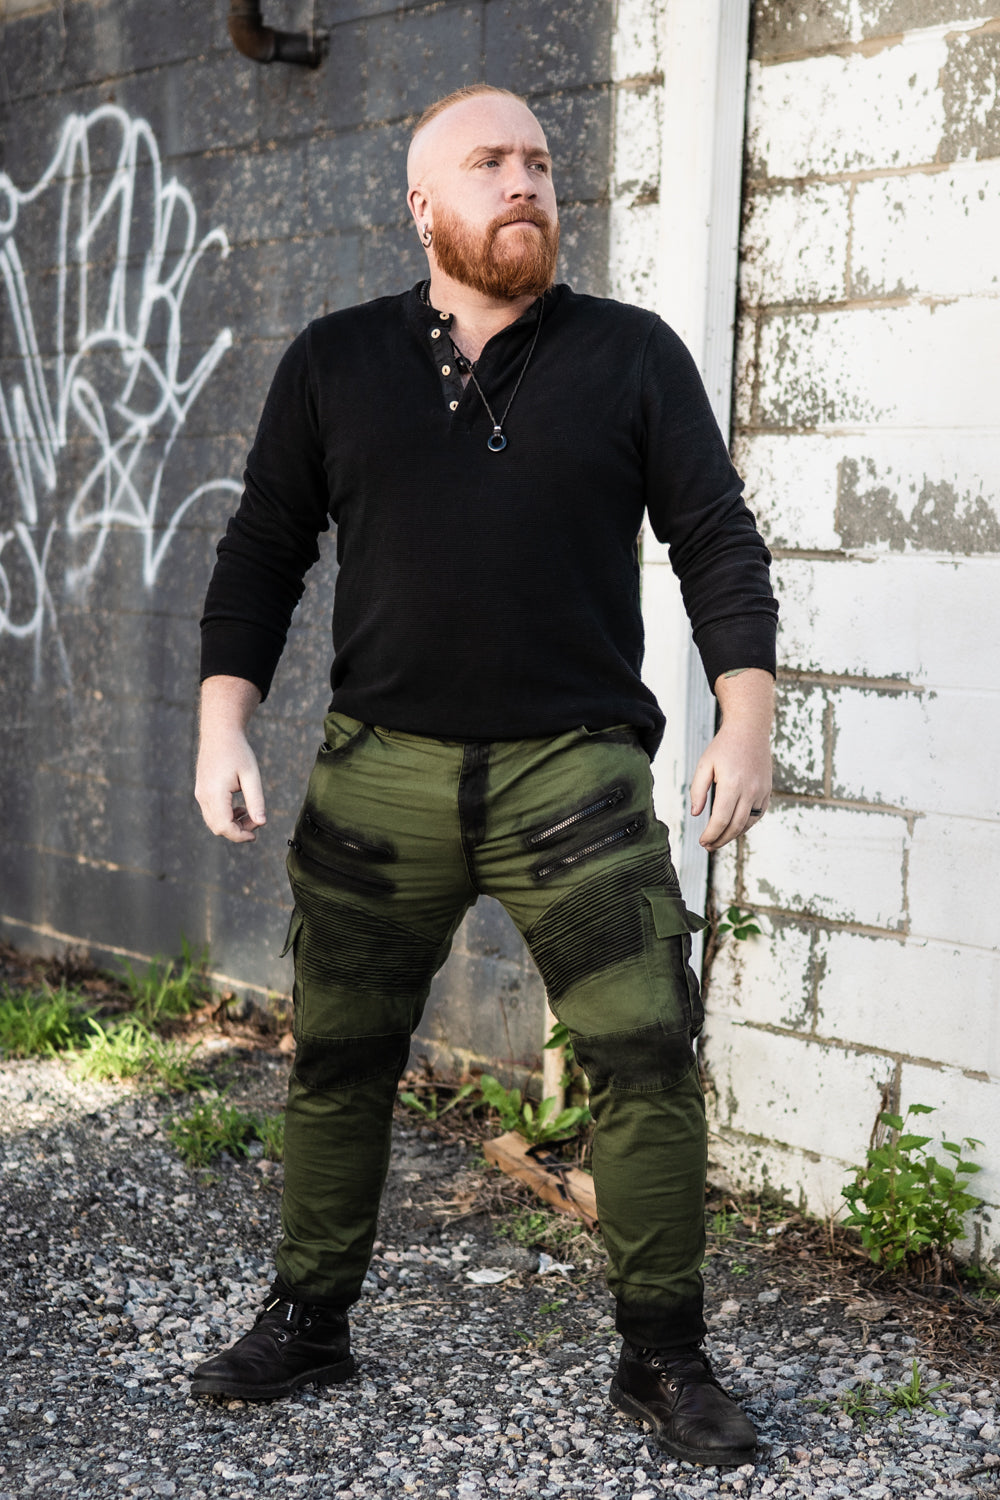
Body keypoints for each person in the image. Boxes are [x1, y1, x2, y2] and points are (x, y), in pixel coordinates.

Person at [192, 84, 777, 1467]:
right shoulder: (334, 361)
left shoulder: (631, 356)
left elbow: (715, 537)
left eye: (540, 163)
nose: (525, 182)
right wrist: (223, 724)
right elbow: (263, 548)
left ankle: (663, 1355)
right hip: (379, 778)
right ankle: (310, 1318)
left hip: (574, 778)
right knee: (341, 1055)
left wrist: (744, 717)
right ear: (423, 205)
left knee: (644, 1051)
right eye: (490, 163)